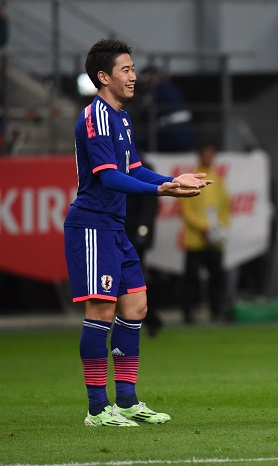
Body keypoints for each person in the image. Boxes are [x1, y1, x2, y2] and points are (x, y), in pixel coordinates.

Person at [64, 39, 212, 427]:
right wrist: (159, 190)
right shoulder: (95, 116)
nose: (133, 76)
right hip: (92, 225)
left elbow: (134, 169)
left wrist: (170, 180)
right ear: (103, 76)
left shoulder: (123, 118)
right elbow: (110, 178)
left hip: (114, 227)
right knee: (102, 311)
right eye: (126, 70)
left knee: (136, 307)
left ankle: (127, 401)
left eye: (133, 69)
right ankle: (98, 409)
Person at [180, 143, 231, 323]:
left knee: (217, 276)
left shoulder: (218, 179)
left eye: (212, 154)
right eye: (206, 154)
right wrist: (203, 226)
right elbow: (186, 210)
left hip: (214, 239)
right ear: (200, 155)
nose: (209, 157)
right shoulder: (192, 178)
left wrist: (221, 228)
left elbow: (225, 206)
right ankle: (189, 313)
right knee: (191, 278)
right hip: (195, 239)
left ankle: (216, 310)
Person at [124, 159, 162, 337]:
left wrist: (142, 231)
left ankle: (148, 317)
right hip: (121, 233)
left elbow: (149, 204)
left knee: (134, 280)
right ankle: (146, 318)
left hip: (133, 236)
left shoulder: (142, 168)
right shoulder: (116, 166)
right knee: (128, 280)